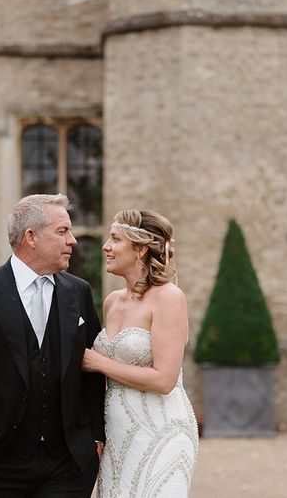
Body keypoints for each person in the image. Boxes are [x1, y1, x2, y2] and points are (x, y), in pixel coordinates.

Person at [0, 193, 106, 497]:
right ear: (31, 237)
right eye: (62, 231)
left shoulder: (79, 291)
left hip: (69, 463)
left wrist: (95, 438)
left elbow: (92, 367)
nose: (72, 241)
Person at [82, 209, 199, 497]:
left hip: (161, 429)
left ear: (141, 249)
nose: (105, 247)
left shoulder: (169, 297)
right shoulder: (111, 302)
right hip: (118, 437)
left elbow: (164, 379)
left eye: (115, 239)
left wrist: (99, 362)